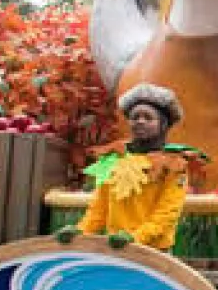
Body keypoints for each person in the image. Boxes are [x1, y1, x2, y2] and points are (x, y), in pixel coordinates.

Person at [55, 84, 204, 251]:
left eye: (148, 118)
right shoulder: (113, 157)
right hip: (116, 247)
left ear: (163, 125)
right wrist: (80, 231)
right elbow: (100, 207)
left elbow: (167, 212)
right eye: (135, 117)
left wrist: (136, 238)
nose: (140, 121)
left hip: (154, 252)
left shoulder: (175, 164)